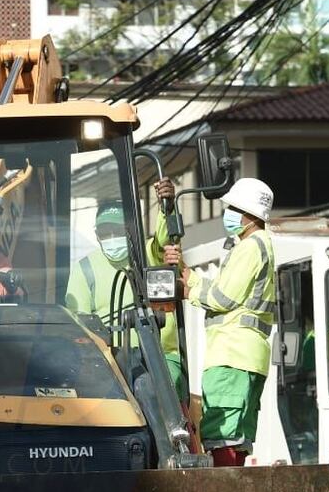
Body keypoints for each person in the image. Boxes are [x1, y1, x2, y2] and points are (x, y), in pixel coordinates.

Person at [166, 177, 276, 467]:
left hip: (231, 354)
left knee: (222, 432)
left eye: (231, 207)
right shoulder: (260, 244)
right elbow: (225, 290)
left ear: (247, 213)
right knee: (237, 435)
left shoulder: (250, 246)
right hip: (247, 355)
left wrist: (186, 292)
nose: (227, 213)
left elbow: (222, 298)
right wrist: (185, 272)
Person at [64, 179, 187, 401]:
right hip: (108, 357)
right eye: (105, 232)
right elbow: (79, 323)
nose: (111, 238)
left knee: (164, 392)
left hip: (158, 355)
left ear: (129, 230)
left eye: (116, 230)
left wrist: (166, 207)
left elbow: (164, 239)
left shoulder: (147, 255)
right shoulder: (84, 268)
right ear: (96, 234)